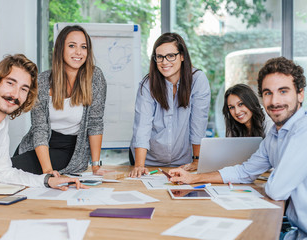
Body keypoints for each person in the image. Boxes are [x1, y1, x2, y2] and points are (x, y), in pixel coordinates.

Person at [168, 57, 307, 240]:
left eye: (283, 91)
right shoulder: (274, 135)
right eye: (267, 93)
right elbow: (244, 171)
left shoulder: (303, 131)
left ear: (300, 94)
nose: (274, 101)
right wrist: (193, 178)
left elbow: (276, 190)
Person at [0, 54, 86, 195]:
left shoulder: (0, 124)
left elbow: (4, 172)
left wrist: (47, 180)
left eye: (23, 89)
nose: (15, 94)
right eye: (10, 83)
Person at [11, 25, 107, 176]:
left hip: (68, 150)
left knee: (7, 170)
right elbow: (40, 129)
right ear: (60, 49)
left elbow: (95, 123)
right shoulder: (42, 81)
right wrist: (48, 172)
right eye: (71, 46)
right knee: (6, 170)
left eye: (84, 47)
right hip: (38, 145)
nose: (78, 52)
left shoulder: (95, 77)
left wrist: (96, 166)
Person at [129, 32, 211, 178]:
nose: (164, 62)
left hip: (182, 162)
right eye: (159, 57)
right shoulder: (147, 84)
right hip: (148, 161)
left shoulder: (198, 80)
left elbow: (198, 123)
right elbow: (143, 126)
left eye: (170, 56)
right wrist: (140, 166)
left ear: (182, 56)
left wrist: (196, 161)